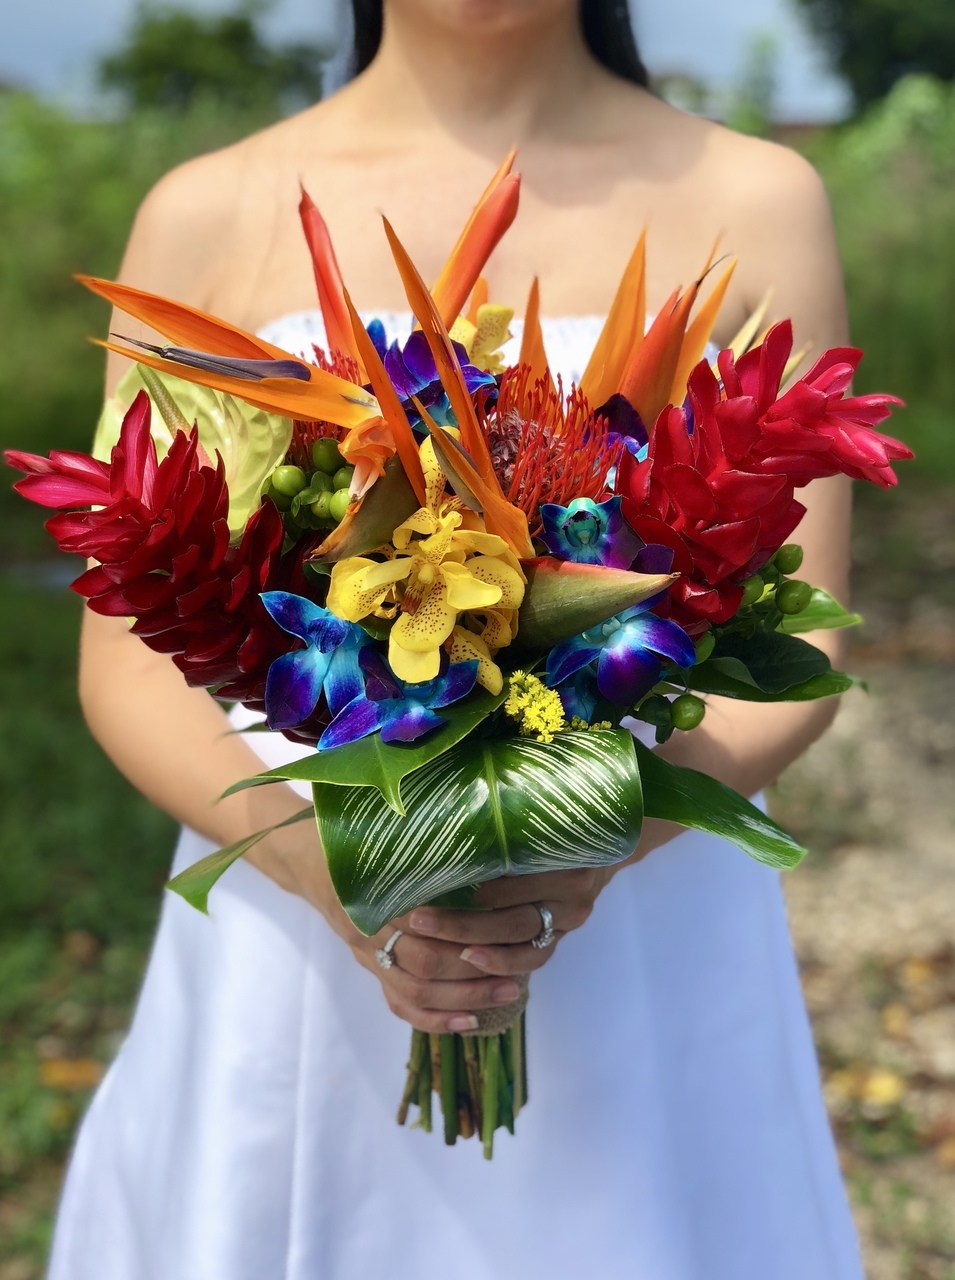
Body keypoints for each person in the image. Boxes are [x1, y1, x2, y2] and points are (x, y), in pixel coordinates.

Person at [49, 1, 864, 1276]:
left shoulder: (757, 198)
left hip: (643, 891)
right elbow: (126, 658)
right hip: (294, 890)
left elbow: (800, 651)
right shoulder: (209, 209)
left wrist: (574, 859)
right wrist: (343, 877)